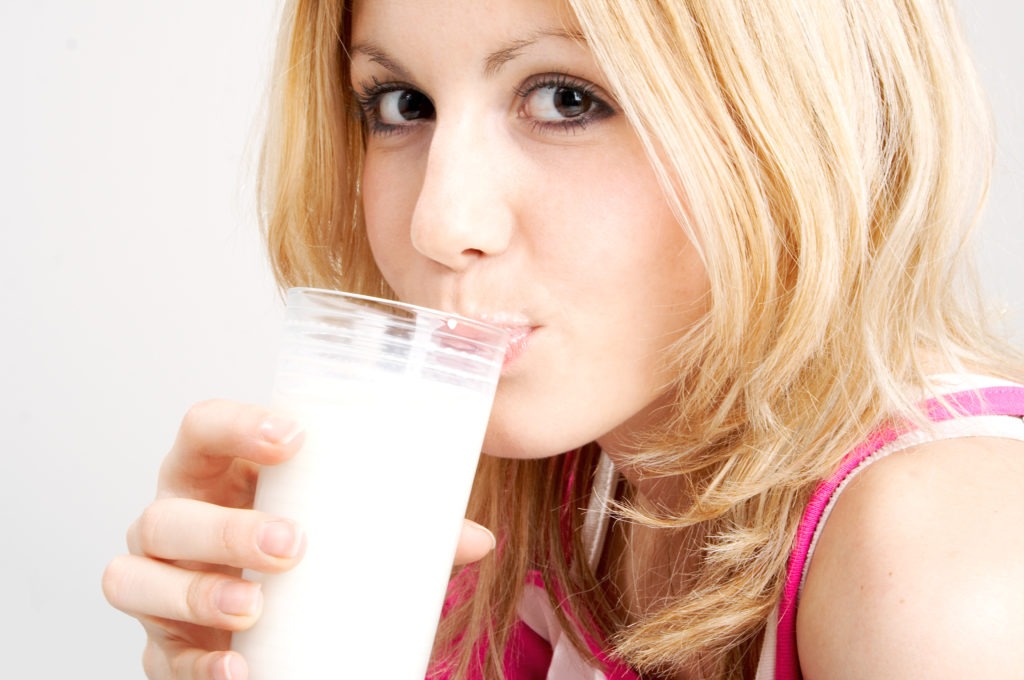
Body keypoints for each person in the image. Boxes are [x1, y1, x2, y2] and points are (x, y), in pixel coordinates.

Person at [102, 0, 1024, 678]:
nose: (440, 222)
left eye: (566, 99)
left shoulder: (944, 574)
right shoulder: (525, 484)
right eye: (402, 104)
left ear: (806, 123)